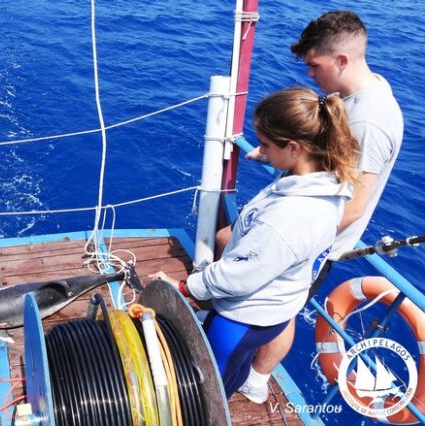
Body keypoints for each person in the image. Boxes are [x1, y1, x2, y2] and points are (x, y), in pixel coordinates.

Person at [236, 11, 403, 404]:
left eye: (315, 65)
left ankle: (257, 381)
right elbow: (330, 159)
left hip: (310, 240)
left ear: (342, 60)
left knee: (280, 309)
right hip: (294, 224)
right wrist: (274, 154)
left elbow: (354, 205)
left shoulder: (369, 120)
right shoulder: (353, 97)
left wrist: (295, 240)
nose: (310, 75)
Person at [151, 86, 358, 399]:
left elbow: (239, 276)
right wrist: (270, 154)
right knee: (237, 366)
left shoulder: (286, 218)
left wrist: (183, 288)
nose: (260, 150)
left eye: (265, 144)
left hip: (240, 319)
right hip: (273, 313)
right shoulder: (326, 184)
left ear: (294, 148)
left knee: (205, 387)